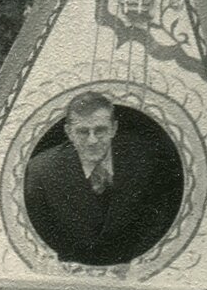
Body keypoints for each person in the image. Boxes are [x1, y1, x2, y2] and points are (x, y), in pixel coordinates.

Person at [24, 91, 183, 266]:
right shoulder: (41, 170)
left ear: (114, 128)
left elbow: (159, 222)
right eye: (83, 132)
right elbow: (41, 232)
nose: (92, 140)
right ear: (69, 132)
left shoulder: (145, 159)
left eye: (100, 130)